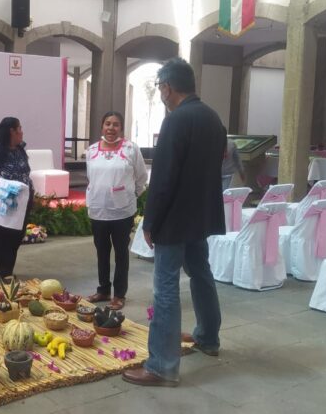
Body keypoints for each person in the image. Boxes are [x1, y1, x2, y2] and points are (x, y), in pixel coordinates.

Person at [122, 57, 226, 387]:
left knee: (165, 286)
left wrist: (150, 221)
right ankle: (208, 337)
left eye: (160, 88)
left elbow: (164, 178)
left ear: (167, 88)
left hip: (176, 217)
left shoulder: (176, 121)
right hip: (201, 215)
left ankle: (162, 366)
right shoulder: (213, 118)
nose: (161, 94)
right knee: (201, 273)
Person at [84, 111, 148, 311]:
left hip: (122, 212)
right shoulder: (92, 150)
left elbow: (141, 178)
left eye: (116, 125)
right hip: (98, 211)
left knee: (121, 253)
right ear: (102, 126)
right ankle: (103, 289)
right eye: (107, 124)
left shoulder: (131, 149)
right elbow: (91, 179)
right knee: (101, 252)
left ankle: (119, 294)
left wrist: (130, 196)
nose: (111, 128)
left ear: (121, 128)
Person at [0, 117, 33, 278]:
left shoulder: (20, 149)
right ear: (12, 131)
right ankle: (3, 272)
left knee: (17, 235)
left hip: (22, 201)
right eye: (20, 129)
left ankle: (8, 268)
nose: (22, 132)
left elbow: (26, 172)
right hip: (3, 202)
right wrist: (7, 189)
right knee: (2, 237)